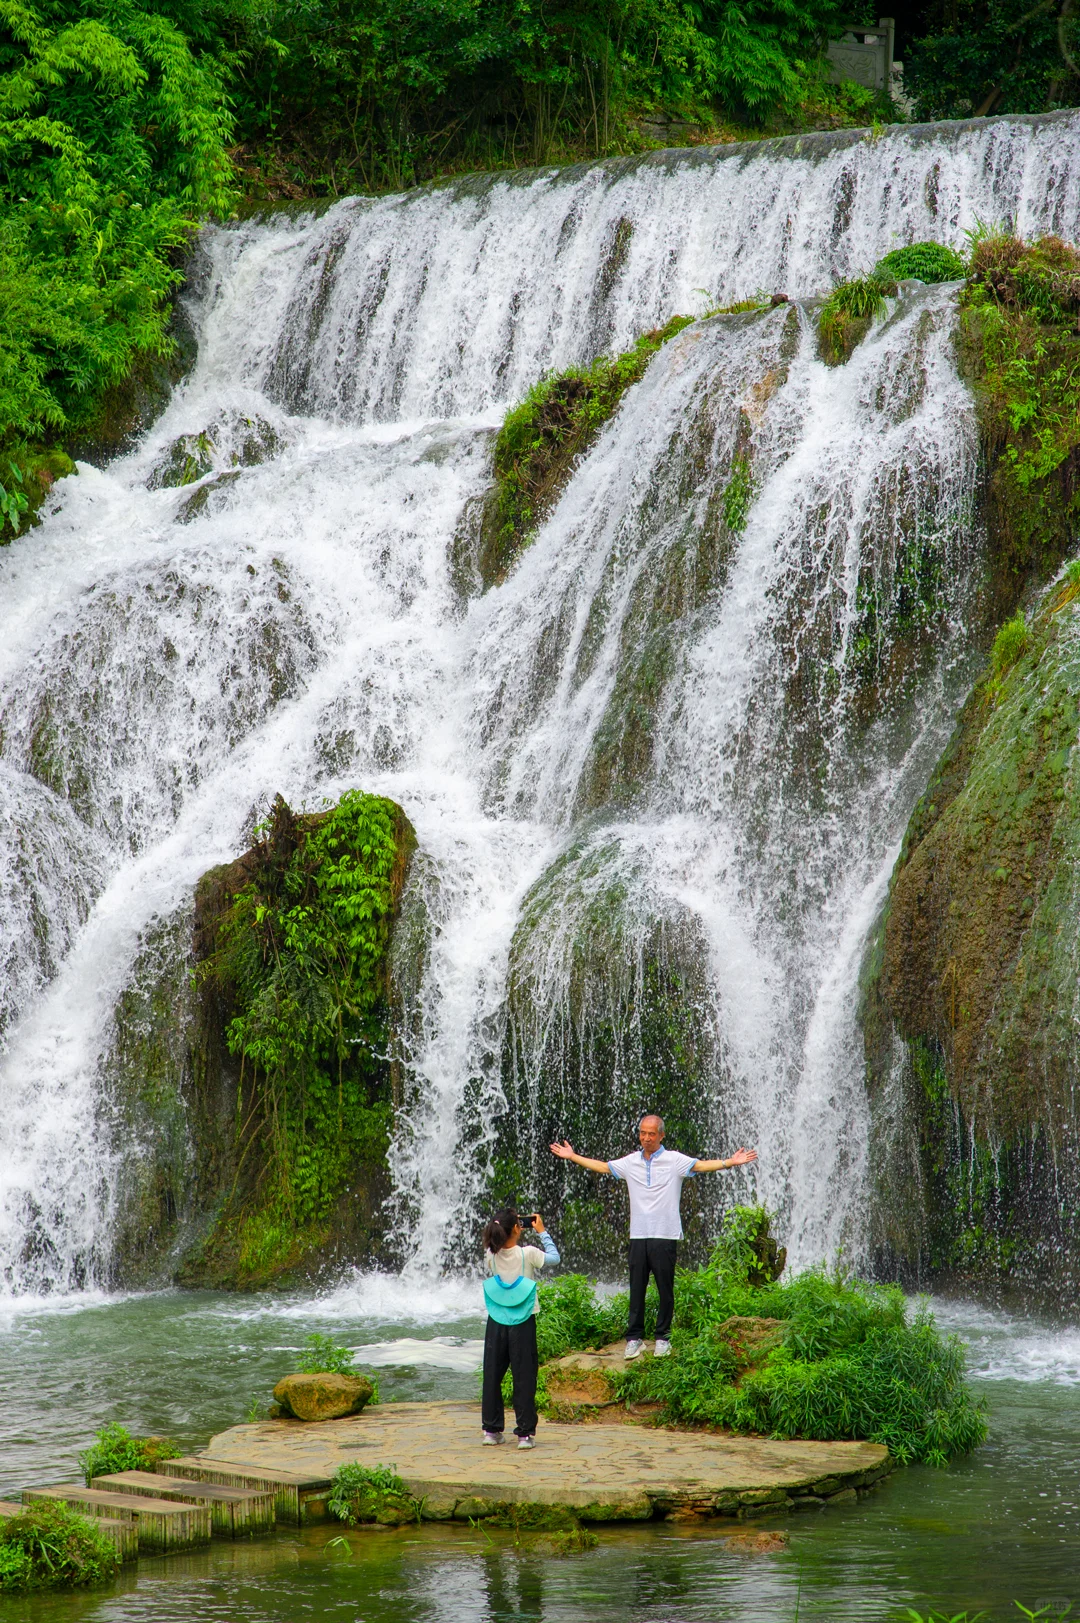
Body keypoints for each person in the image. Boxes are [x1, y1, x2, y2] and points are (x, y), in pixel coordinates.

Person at [549, 1114, 757, 1359]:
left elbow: (700, 1165)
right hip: (638, 1235)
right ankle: (634, 1339)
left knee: (664, 1289)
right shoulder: (630, 1162)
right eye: (642, 1133)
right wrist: (572, 1156)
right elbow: (604, 1167)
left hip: (665, 1234)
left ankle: (662, 1338)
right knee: (636, 1288)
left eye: (651, 1134)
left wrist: (729, 1162)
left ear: (661, 1135)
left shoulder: (674, 1160)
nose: (646, 1138)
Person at [480, 1205, 560, 1450]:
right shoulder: (529, 1253)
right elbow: (555, 1259)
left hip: (496, 1319)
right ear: (517, 1228)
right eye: (519, 1222)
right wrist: (542, 1232)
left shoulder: (490, 1255)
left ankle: (491, 1431)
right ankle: (524, 1434)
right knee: (524, 1375)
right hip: (523, 1319)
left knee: (492, 1374)